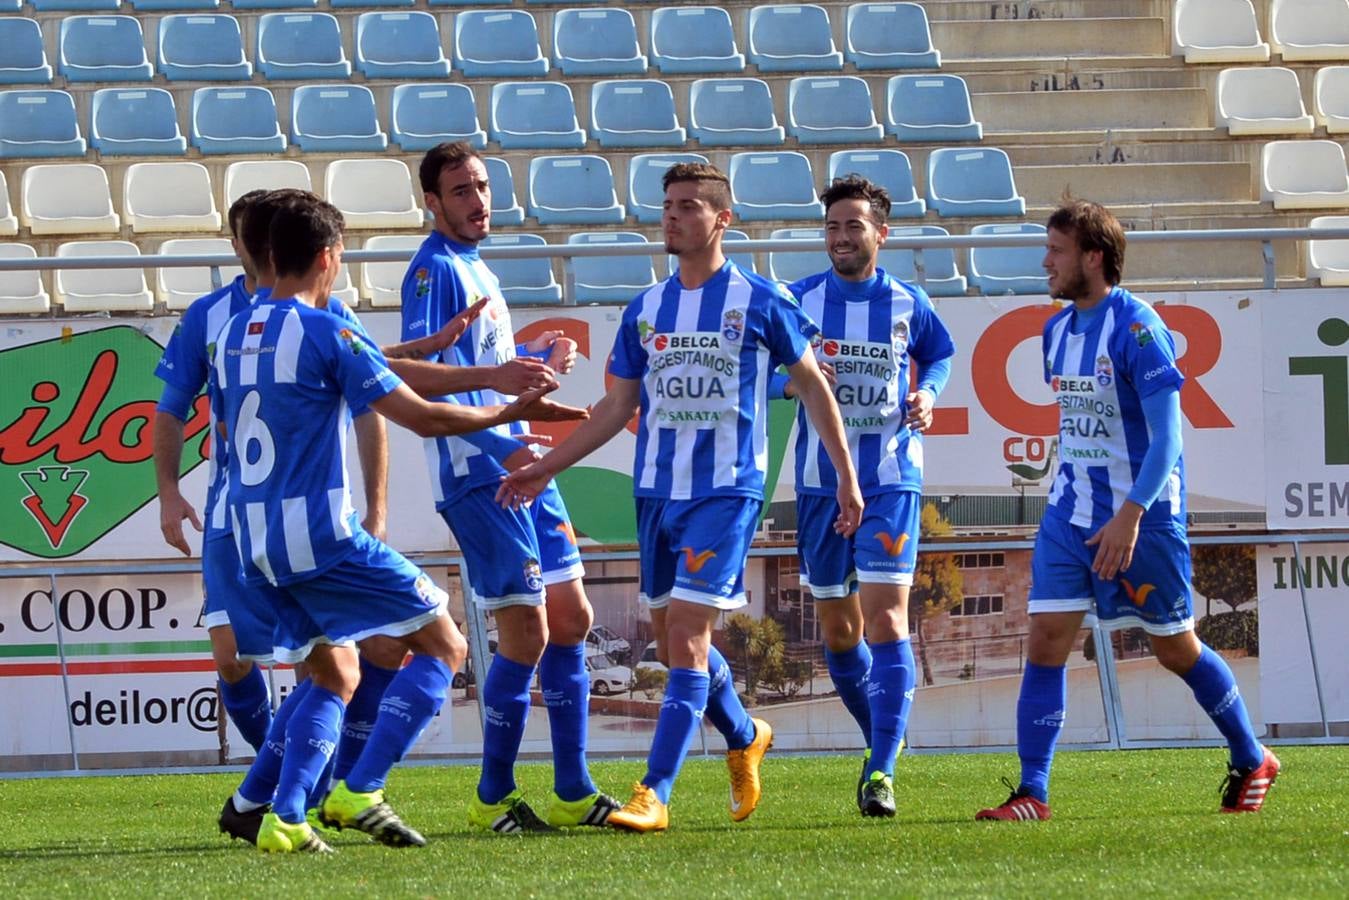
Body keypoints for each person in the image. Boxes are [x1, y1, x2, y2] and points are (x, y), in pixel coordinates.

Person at [210, 195, 586, 853]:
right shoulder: (329, 330)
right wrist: (507, 414)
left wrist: (429, 347)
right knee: (445, 643)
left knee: (333, 673)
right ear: (328, 257)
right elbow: (422, 416)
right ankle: (360, 790)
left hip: (253, 538)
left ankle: (284, 815)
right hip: (322, 533)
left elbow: (346, 362)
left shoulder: (234, 335)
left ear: (270, 256)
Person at [497, 162, 864, 833]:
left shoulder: (758, 299)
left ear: (721, 220)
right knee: (669, 646)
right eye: (666, 205)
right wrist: (545, 467)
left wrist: (845, 475)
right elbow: (616, 408)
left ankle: (653, 792)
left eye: (688, 206)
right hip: (656, 492)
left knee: (689, 637)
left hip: (726, 490)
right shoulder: (645, 309)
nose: (671, 216)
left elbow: (812, 385)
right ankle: (744, 732)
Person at [975, 199, 1279, 822]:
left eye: (1057, 250)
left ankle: (1253, 757)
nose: (1046, 261)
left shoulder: (1137, 326)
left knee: (1173, 647)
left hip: (1142, 519)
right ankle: (1033, 792)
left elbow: (1168, 437)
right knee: (1045, 639)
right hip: (1068, 513)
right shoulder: (1054, 330)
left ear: (1093, 256)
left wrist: (1131, 514)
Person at [399, 141, 616, 833]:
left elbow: (489, 370)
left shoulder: (478, 265)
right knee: (524, 634)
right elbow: (416, 373)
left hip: (522, 463)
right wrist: (500, 387)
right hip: (477, 473)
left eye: (482, 187)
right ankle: (494, 794)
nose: (477, 201)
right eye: (460, 190)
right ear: (431, 202)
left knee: (573, 619)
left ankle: (574, 788)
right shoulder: (433, 271)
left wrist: (537, 365)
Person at [776, 175, 955, 818]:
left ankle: (880, 771)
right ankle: (883, 733)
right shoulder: (796, 300)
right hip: (819, 485)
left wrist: (928, 394)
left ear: (881, 233)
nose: (841, 238)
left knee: (885, 621)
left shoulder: (909, 301)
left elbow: (939, 355)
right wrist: (793, 384)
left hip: (891, 477)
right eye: (832, 227)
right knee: (840, 630)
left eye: (853, 226)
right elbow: (764, 374)